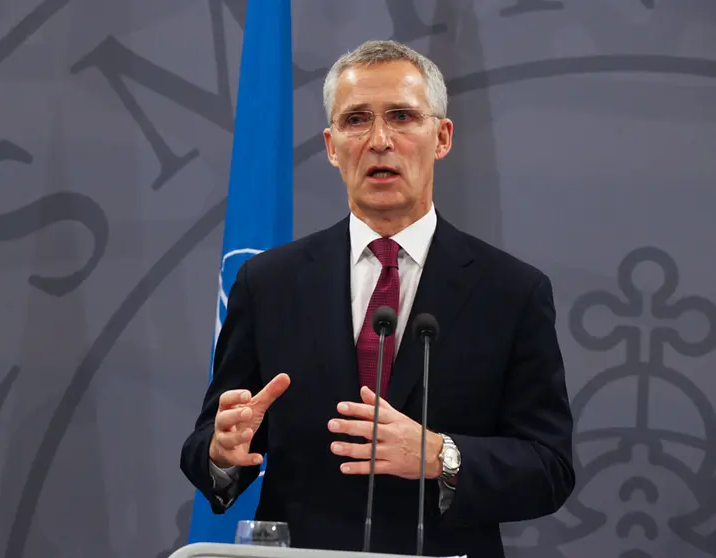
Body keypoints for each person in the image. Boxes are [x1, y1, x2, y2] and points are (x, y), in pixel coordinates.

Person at [180, 39, 575, 558]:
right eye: (356, 120)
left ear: (442, 136)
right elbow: (207, 444)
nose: (379, 140)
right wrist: (222, 451)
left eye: (403, 116)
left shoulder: (511, 291)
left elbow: (550, 468)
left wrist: (440, 455)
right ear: (330, 144)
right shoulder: (267, 284)